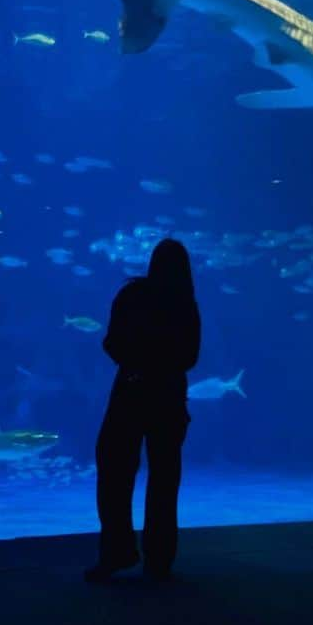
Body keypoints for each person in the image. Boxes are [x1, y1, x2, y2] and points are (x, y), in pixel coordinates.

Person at [85, 238, 201, 583]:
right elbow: (190, 357)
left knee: (114, 474)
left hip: (131, 393)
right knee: (165, 478)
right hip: (167, 397)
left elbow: (111, 342)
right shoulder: (186, 304)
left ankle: (116, 553)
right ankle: (159, 557)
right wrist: (160, 365)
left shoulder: (132, 295)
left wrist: (136, 364)